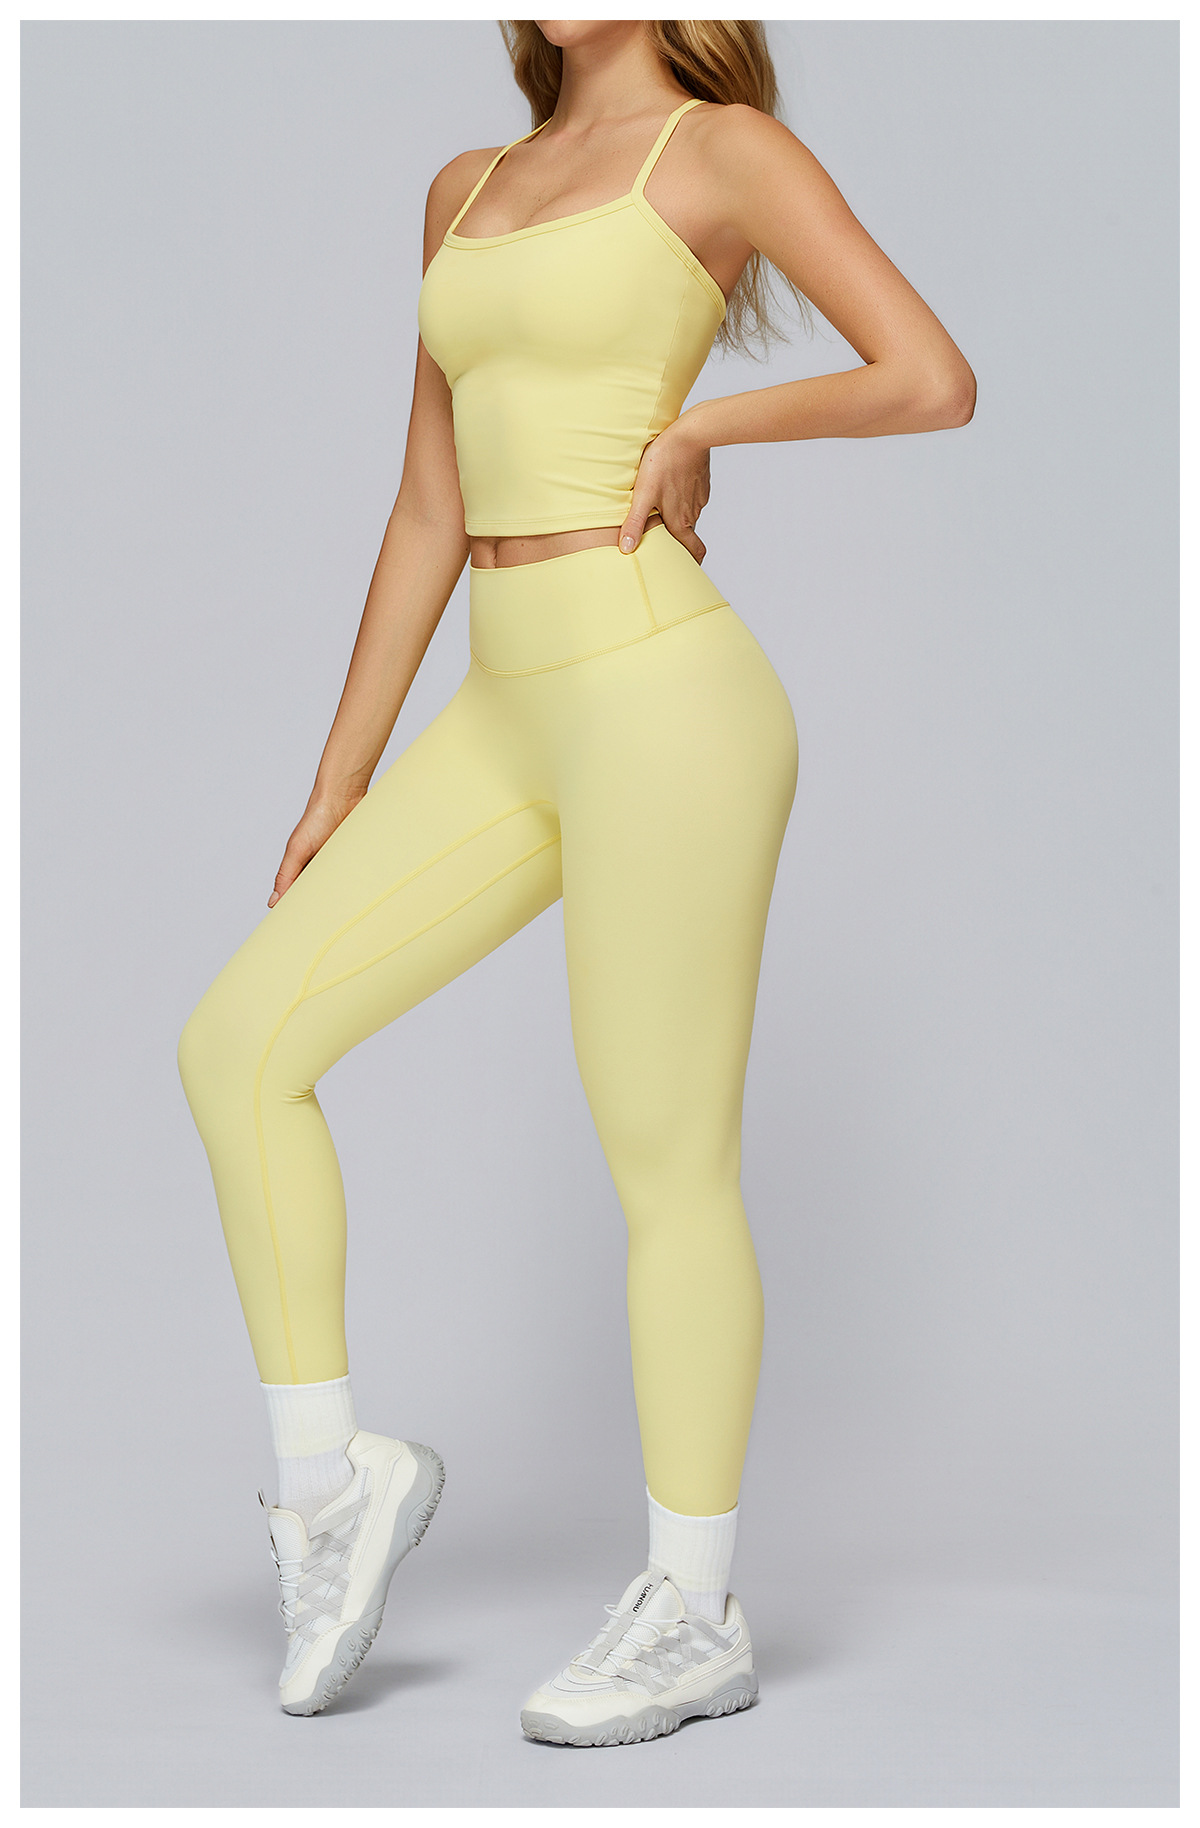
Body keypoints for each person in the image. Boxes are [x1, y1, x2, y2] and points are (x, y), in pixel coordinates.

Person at [177, 18, 975, 1742]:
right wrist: (339, 780)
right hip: (503, 703)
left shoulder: (722, 154)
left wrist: (712, 427)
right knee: (237, 1048)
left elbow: (931, 374)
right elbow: (425, 507)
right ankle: (331, 1489)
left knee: (664, 1154)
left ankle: (693, 1608)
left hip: (664, 694)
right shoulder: (463, 190)